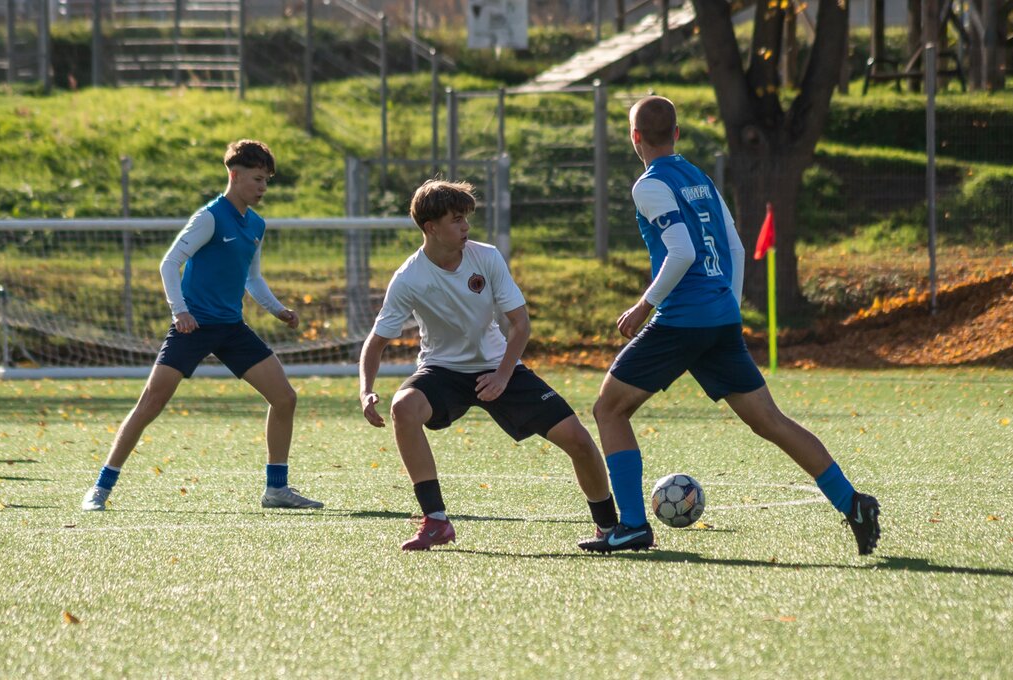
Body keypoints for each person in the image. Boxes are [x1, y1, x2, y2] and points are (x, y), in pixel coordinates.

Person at [577, 96, 881, 555]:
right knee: (770, 421)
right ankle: (852, 503)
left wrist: (644, 306)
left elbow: (682, 251)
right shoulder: (700, 177)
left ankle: (633, 526)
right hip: (719, 317)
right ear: (677, 134)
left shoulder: (650, 184)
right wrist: (729, 307)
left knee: (609, 410)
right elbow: (735, 246)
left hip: (681, 320)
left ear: (635, 137)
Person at [359, 179, 619, 551]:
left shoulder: (487, 257)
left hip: (499, 365)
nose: (466, 227)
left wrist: (502, 375)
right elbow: (376, 341)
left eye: (466, 218)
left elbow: (520, 324)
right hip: (442, 370)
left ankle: (609, 527)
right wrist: (366, 390)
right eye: (456, 220)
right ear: (431, 228)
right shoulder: (408, 278)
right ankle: (436, 521)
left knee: (578, 439)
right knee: (404, 407)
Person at [81, 139, 322, 512]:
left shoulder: (256, 224)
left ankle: (276, 489)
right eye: (257, 179)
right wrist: (179, 311)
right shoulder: (209, 217)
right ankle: (100, 488)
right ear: (234, 175)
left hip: (231, 328)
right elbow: (169, 263)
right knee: (150, 403)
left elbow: (252, 278)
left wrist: (278, 310)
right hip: (192, 327)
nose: (263, 187)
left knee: (285, 398)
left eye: (267, 181)